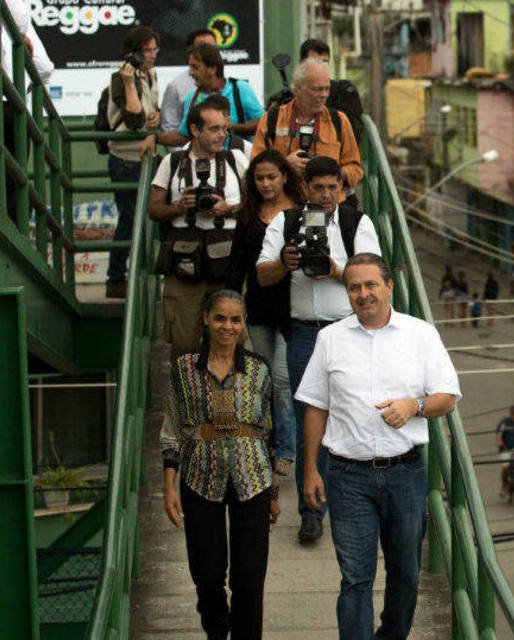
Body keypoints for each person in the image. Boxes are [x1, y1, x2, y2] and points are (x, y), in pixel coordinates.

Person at [297, 253, 461, 640]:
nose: (363, 294)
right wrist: (309, 471)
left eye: (371, 285)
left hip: (405, 474)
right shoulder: (330, 338)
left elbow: (448, 397)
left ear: (389, 287)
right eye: (354, 287)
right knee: (356, 578)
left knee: (405, 574)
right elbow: (315, 406)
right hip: (346, 475)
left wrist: (414, 406)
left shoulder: (421, 335)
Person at [256, 156, 380, 543]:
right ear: (306, 187)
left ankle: (352, 503)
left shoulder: (356, 222)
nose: (326, 195)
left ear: (342, 188)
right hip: (304, 332)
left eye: (333, 188)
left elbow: (374, 279)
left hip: (348, 331)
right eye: (319, 187)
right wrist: (285, 261)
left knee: (354, 413)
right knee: (308, 419)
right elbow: (262, 274)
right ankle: (311, 512)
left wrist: (336, 270)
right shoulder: (287, 221)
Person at [159, 289, 280, 640]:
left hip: (252, 478)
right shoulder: (183, 369)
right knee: (208, 574)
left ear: (243, 325)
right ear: (206, 319)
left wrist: (273, 491)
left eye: (235, 319)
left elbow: (268, 431)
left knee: (250, 576)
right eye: (220, 318)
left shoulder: (259, 370)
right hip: (200, 477)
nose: (227, 326)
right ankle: (216, 631)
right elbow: (172, 428)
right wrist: (169, 486)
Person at [148, 97, 249, 362]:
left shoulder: (236, 159)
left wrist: (230, 209)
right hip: (184, 262)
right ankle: (186, 400)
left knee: (235, 342)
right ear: (195, 130)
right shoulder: (172, 163)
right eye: (214, 129)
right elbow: (153, 209)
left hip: (228, 261)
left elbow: (259, 203)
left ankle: (234, 400)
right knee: (183, 344)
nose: (222, 135)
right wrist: (180, 207)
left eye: (224, 129)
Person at [227, 149, 304, 478]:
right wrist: (233, 306)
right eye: (259, 178)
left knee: (284, 381)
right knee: (265, 380)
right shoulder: (248, 215)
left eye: (272, 176)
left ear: (285, 176)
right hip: (259, 308)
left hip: (294, 309)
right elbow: (237, 266)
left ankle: (286, 448)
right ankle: (271, 441)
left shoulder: (300, 214)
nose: (266, 183)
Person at [103, 26, 161, 299]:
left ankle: (145, 276)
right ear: (133, 53)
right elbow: (135, 120)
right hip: (125, 157)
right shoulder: (121, 78)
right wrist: (128, 84)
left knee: (151, 218)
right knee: (128, 220)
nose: (152, 55)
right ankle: (115, 279)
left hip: (146, 156)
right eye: (147, 50)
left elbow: (151, 114)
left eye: (154, 49)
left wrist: (157, 119)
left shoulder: (150, 75)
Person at [250, 58, 362, 191]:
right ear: (298, 89)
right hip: (285, 204)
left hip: (328, 205)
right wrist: (284, 165)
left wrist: (331, 175)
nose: (324, 95)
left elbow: (355, 169)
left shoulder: (339, 120)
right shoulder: (272, 119)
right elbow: (255, 166)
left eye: (327, 89)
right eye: (317, 89)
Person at [2, 0, 53, 226]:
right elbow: (43, 69)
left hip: (11, 105)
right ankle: (15, 233)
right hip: (11, 106)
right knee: (14, 183)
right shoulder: (17, 23)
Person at [158, 43, 264, 147]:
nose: (190, 73)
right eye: (190, 67)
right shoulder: (192, 98)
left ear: (212, 69)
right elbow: (183, 136)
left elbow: (263, 122)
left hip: (239, 161)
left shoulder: (240, 89)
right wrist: (155, 138)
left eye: (195, 67)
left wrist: (232, 128)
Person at [159, 29, 217, 143]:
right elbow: (169, 127)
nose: (209, 52)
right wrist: (183, 157)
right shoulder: (176, 86)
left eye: (213, 47)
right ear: (191, 51)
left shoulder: (233, 86)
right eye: (203, 47)